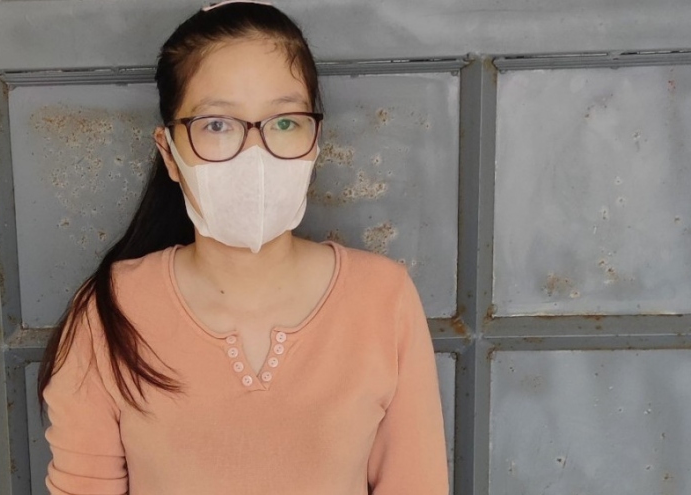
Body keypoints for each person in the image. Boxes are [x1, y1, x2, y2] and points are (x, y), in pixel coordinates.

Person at [37, 2, 448, 494]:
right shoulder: (109, 311)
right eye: (217, 124)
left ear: (316, 140)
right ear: (170, 152)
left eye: (284, 122)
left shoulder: (383, 297)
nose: (255, 155)